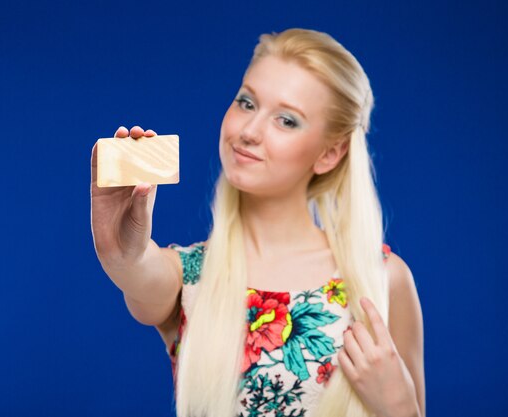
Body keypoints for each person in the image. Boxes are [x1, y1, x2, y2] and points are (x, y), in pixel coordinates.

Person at [90, 28, 425, 417]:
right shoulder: (191, 276)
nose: (248, 132)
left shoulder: (384, 280)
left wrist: (399, 406)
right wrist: (120, 251)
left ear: (330, 154)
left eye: (286, 120)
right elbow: (137, 269)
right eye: (247, 103)